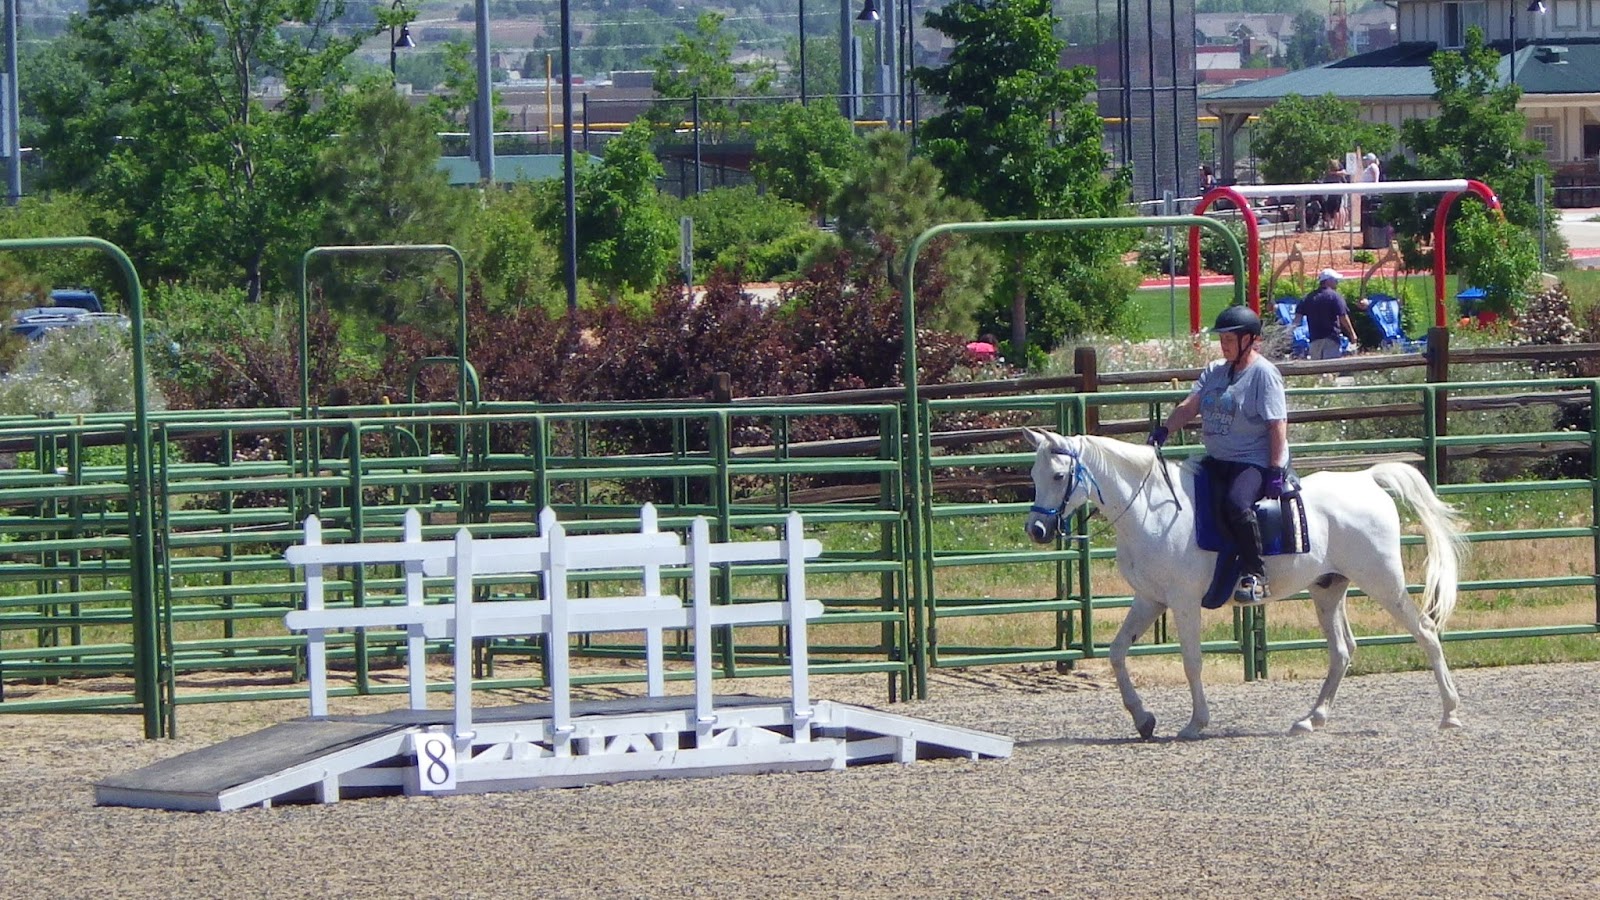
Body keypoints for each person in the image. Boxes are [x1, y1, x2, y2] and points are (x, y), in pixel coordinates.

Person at [1146, 306, 1289, 604]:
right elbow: (1189, 406)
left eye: (1229, 338)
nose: (1223, 344)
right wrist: (1164, 431)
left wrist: (1275, 469)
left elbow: (1277, 424)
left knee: (1237, 505)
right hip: (1217, 460)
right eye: (1221, 338)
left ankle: (1256, 574)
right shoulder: (1215, 371)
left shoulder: (1264, 375)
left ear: (1249, 340)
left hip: (1252, 461)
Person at [1293, 268, 1358, 360]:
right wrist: (1352, 334)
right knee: (1330, 368)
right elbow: (1343, 317)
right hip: (1331, 338)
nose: (1337, 282)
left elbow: (1297, 320)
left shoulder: (1308, 298)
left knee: (1317, 369)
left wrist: (1291, 334)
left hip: (1314, 339)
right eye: (1335, 280)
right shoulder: (1335, 296)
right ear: (1328, 281)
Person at [1321, 158, 1348, 230]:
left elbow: (1344, 172)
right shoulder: (1338, 172)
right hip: (1336, 192)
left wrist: (1333, 173)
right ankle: (1337, 225)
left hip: (1333, 192)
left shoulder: (1333, 172)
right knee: (1338, 209)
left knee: (1334, 210)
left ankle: (1334, 225)